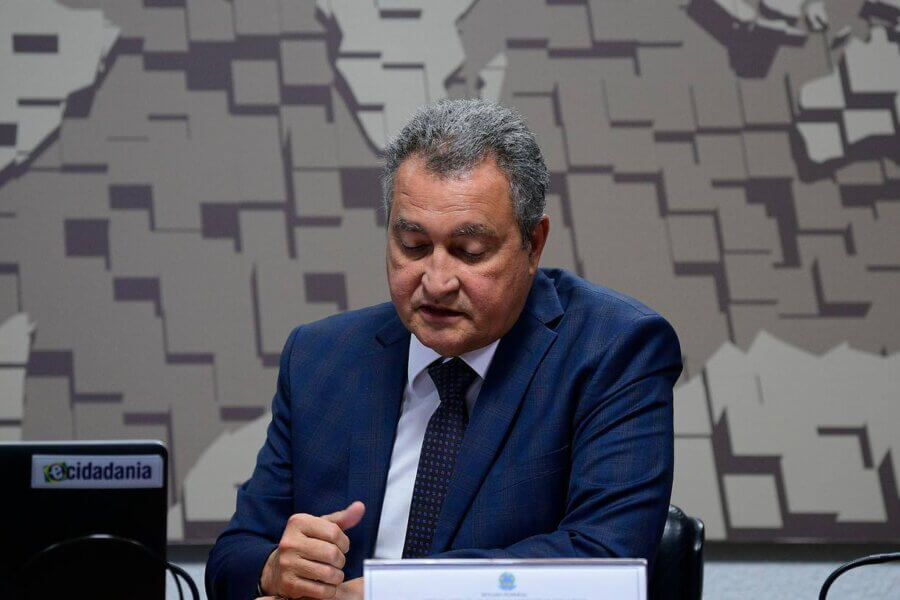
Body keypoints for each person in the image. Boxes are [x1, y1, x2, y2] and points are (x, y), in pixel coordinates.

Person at [206, 99, 682, 600]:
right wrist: (276, 569)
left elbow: (604, 559)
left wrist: (391, 593)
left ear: (534, 244)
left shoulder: (614, 350)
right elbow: (233, 555)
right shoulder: (320, 357)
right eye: (412, 245)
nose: (435, 282)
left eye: (469, 252)